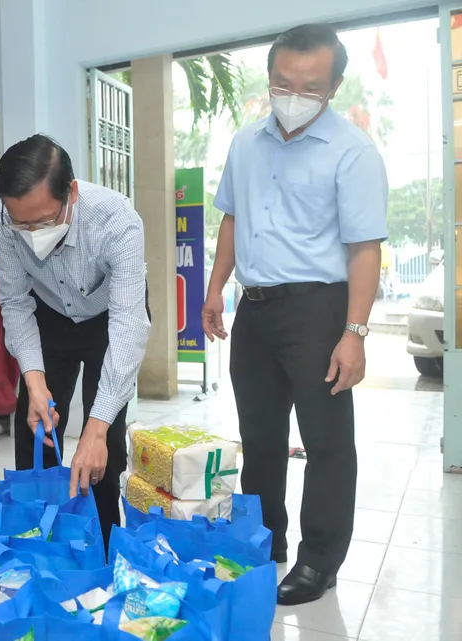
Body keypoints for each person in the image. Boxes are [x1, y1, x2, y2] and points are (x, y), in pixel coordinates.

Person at [202, 24, 387, 606]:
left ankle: (319, 562)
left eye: (310, 87)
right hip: (254, 310)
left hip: (318, 310)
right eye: (283, 83)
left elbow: (365, 249)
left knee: (326, 442)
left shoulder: (353, 152)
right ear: (269, 76)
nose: (294, 96)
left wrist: (354, 334)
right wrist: (215, 289)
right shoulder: (245, 144)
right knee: (259, 438)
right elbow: (232, 219)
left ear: (333, 86)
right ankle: (265, 541)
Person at [0, 134, 150, 548]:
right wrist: (35, 383)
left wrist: (95, 429)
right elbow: (14, 301)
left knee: (104, 441)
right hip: (48, 314)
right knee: (35, 426)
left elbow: (129, 324)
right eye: (21, 224)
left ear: (71, 193)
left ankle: (103, 544)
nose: (30, 233)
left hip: (107, 317)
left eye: (43, 222)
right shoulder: (1, 216)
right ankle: (37, 539)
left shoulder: (116, 220)